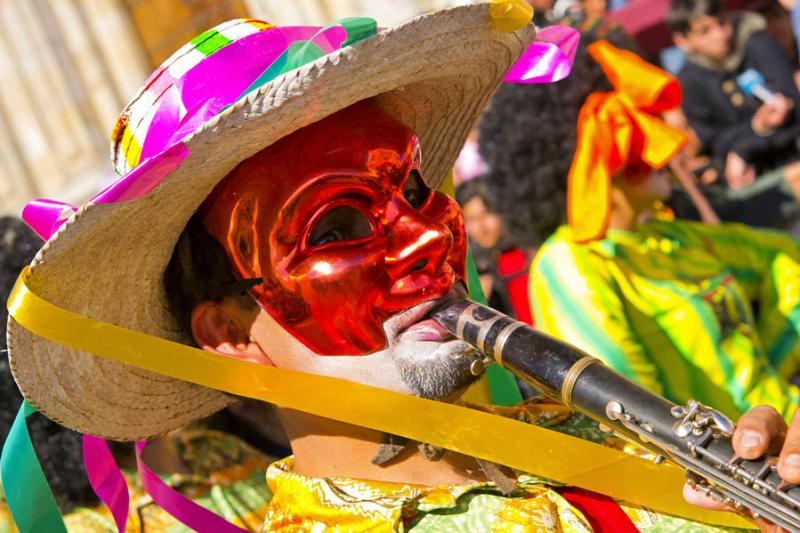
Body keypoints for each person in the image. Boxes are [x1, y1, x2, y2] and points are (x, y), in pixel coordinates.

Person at [5, 6, 800, 532]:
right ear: (229, 338)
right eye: (338, 225)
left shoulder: (596, 441)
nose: (427, 238)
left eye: (416, 188)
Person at [483, 36, 800, 425]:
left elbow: (787, 259)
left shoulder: (674, 237)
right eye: (635, 127)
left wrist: (765, 383)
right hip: (727, 478)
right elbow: (634, 423)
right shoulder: (570, 265)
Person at [668, 0, 800, 188]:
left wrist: (743, 148)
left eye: (722, 22)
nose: (721, 35)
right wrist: (757, 127)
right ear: (683, 41)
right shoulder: (689, 81)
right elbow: (714, 143)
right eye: (705, 31)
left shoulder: (757, 43)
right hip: (751, 181)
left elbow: (794, 109)